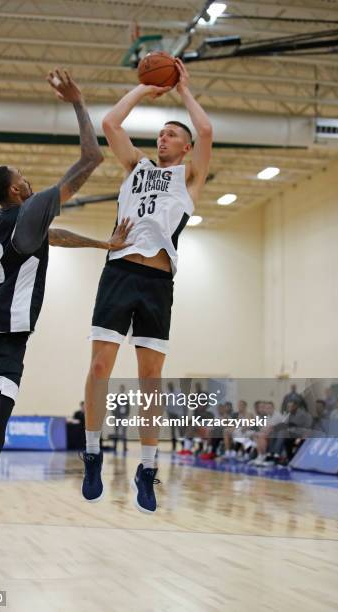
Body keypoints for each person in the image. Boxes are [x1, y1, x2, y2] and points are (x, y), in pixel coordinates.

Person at [0, 69, 131, 592]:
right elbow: (90, 159)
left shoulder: (2, 225)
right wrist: (79, 102)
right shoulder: (25, 209)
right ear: (19, 188)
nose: (29, 179)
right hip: (2, 340)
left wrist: (100, 246)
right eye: (24, 175)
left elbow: (50, 237)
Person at [81, 59, 213, 513]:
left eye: (172, 134)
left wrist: (184, 91)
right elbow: (110, 122)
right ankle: (93, 452)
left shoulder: (189, 178)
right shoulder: (136, 166)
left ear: (186, 146)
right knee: (100, 368)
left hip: (158, 281)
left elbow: (208, 131)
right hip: (119, 271)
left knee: (150, 380)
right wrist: (143, 87)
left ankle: (148, 468)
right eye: (160, 133)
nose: (163, 138)